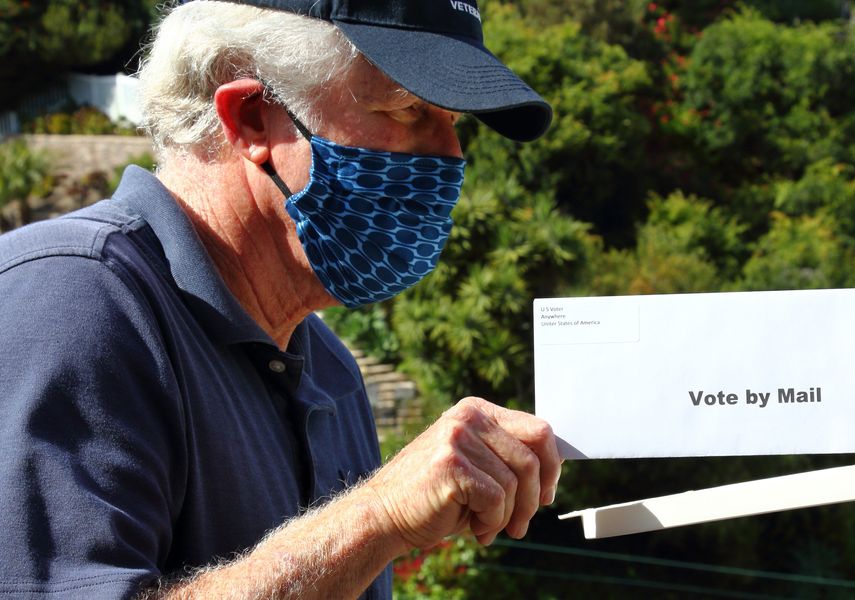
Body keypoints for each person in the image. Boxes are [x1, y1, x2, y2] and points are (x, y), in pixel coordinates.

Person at [0, 0, 562, 597]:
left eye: (455, 122)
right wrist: (379, 517)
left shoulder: (332, 372)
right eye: (408, 108)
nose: (452, 155)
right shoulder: (71, 300)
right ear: (251, 119)